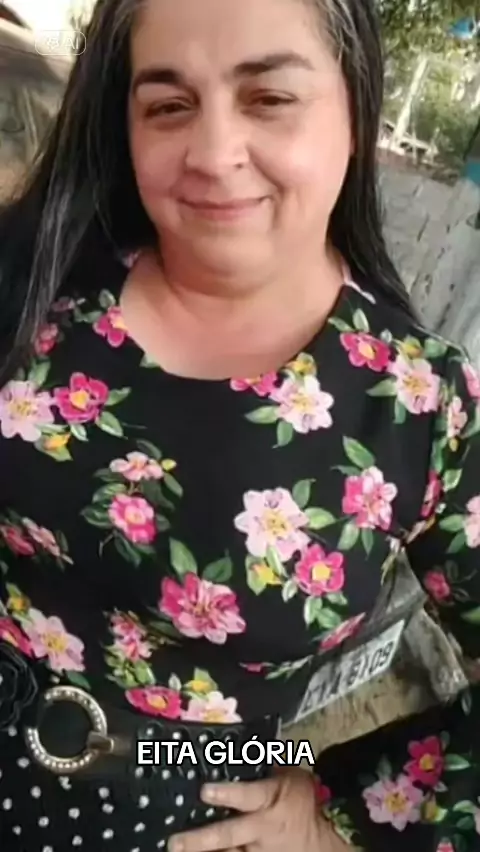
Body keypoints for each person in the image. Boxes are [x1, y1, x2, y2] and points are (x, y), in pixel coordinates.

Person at [0, 0, 480, 850]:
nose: (214, 152)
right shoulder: (35, 276)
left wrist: (340, 813)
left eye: (268, 98)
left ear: (356, 108)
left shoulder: (420, 404)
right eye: (168, 105)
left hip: (169, 821)